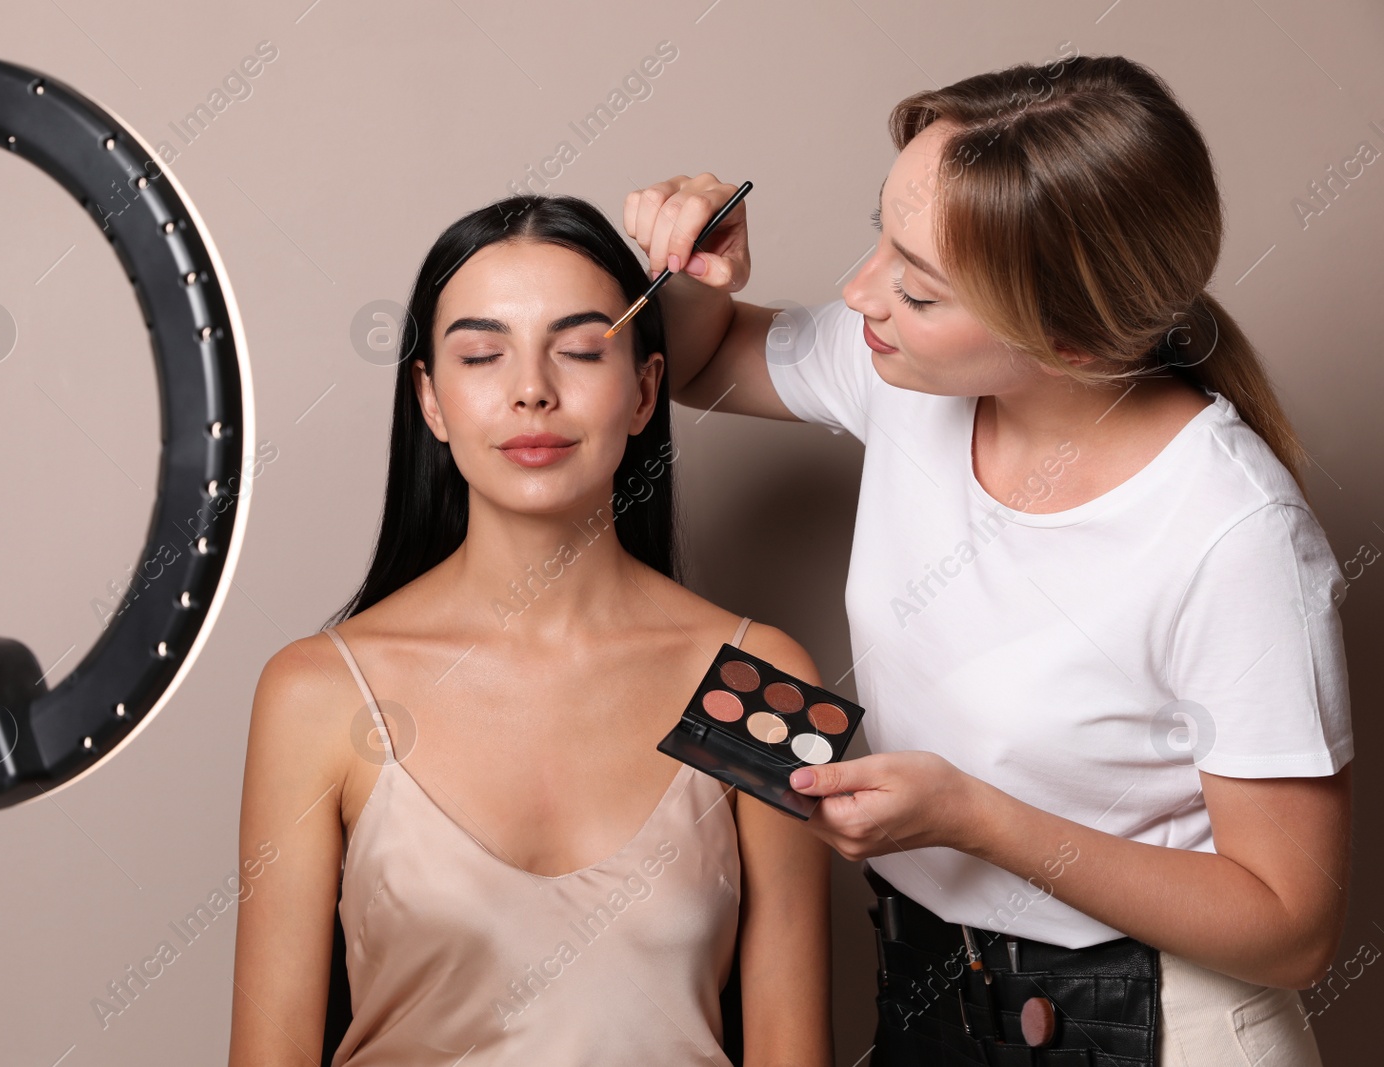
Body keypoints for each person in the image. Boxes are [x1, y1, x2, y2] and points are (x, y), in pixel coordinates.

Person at [622, 53, 1352, 1066]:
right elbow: (697, 363)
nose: (858, 291)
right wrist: (699, 274)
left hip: (1144, 1025)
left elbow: (1290, 927)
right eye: (880, 232)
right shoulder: (905, 370)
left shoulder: (1234, 535)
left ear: (1072, 343)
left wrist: (978, 818)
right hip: (933, 995)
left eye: (917, 290)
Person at [228, 194, 833, 1066]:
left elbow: (792, 1051)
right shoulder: (315, 692)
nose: (532, 390)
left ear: (644, 390)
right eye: (482, 354)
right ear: (430, 401)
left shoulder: (764, 677)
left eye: (582, 349)